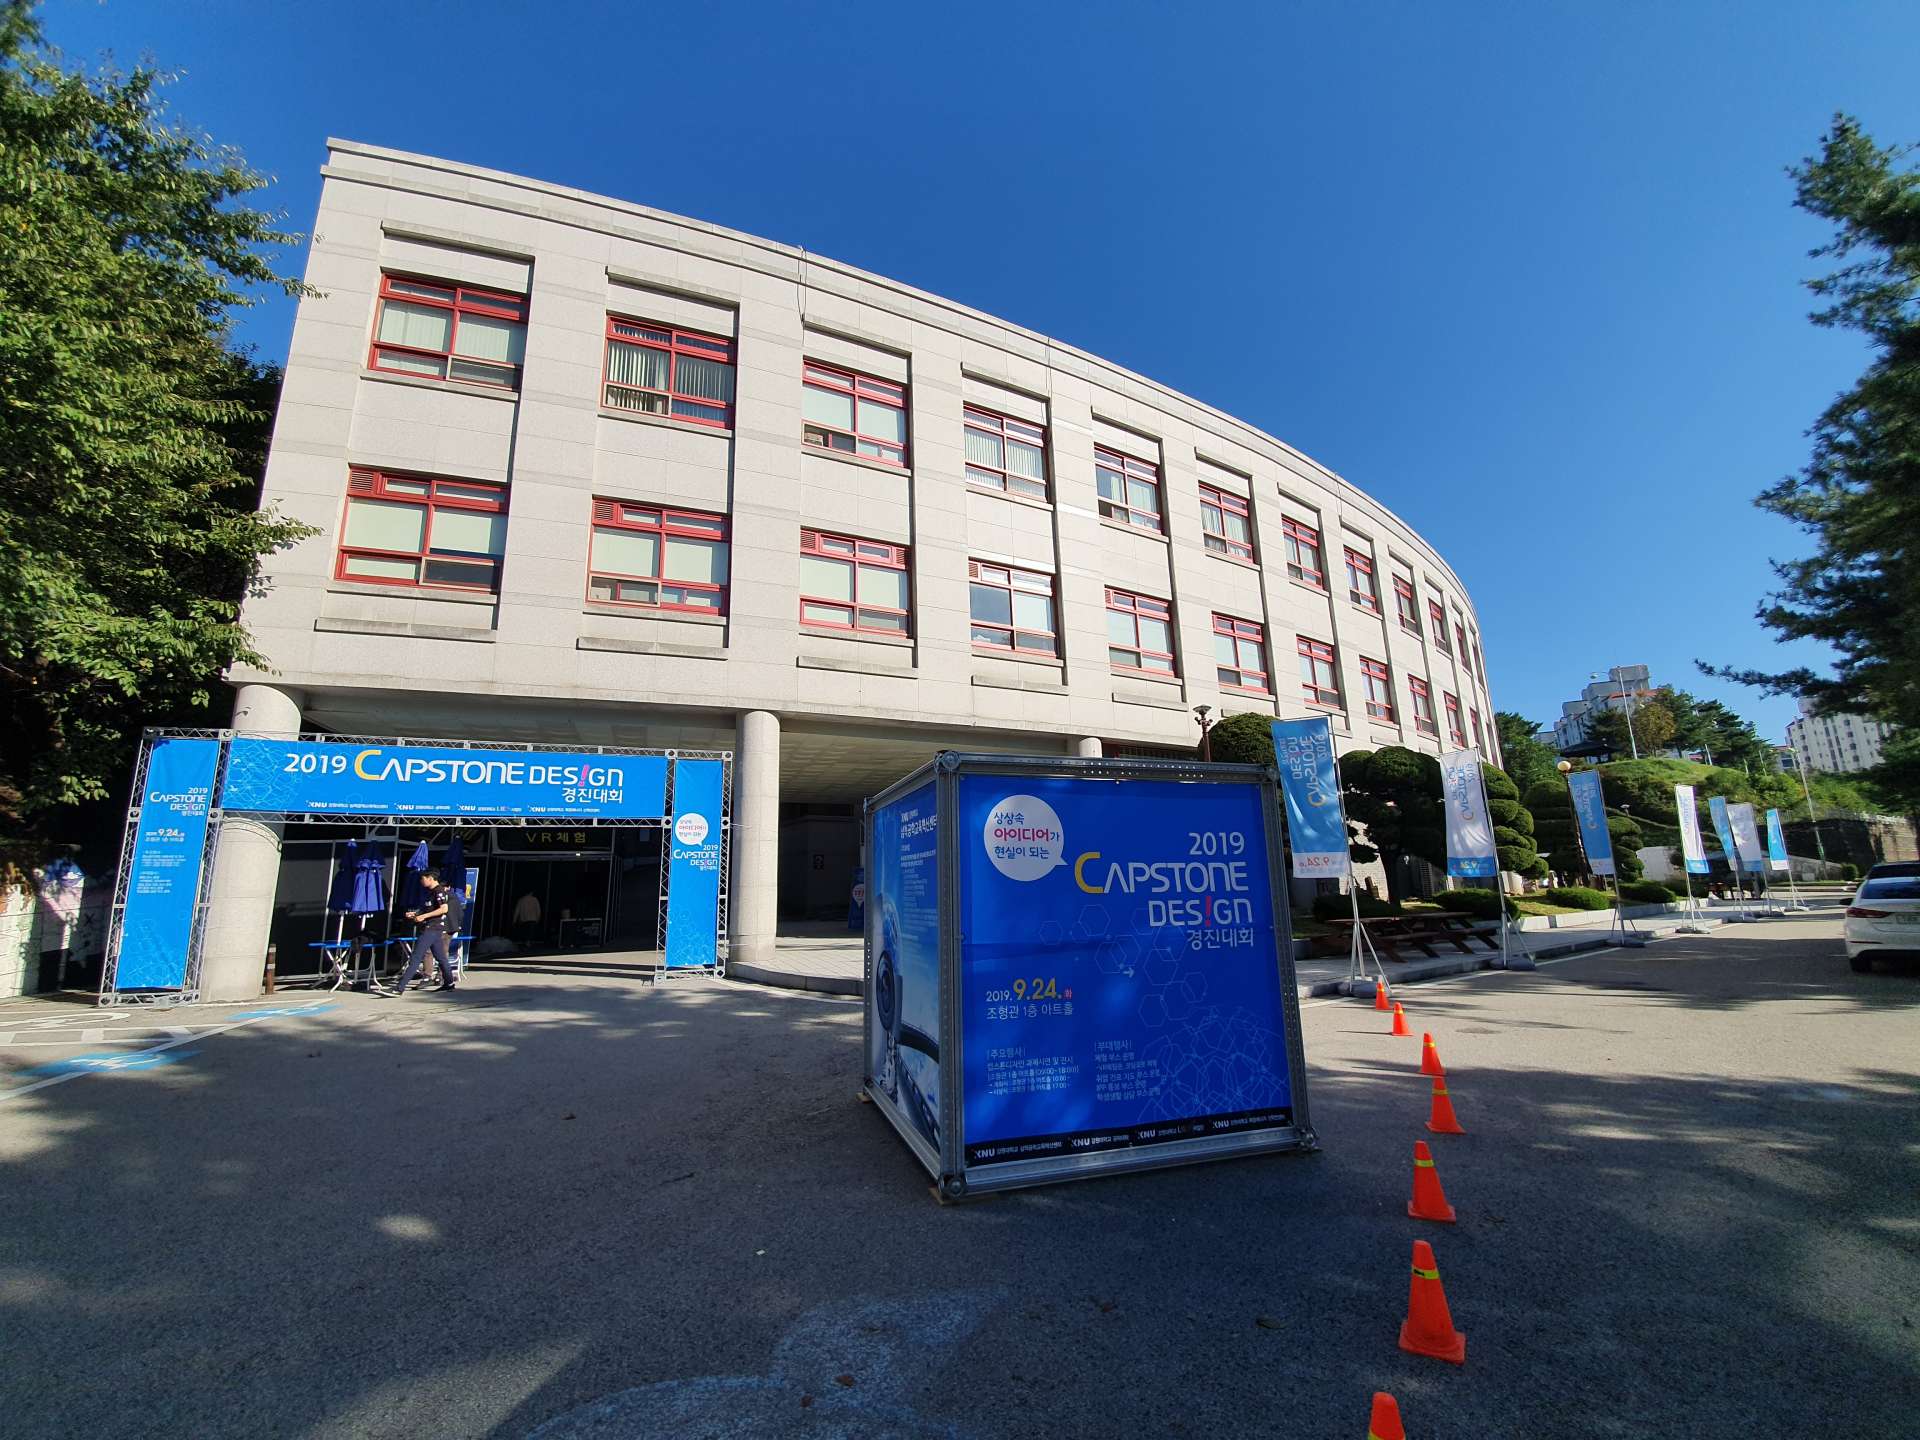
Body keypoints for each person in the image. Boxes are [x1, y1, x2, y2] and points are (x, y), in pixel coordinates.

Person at [375, 872, 463, 996]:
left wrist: (424, 916)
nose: (421, 882)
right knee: (441, 958)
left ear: (430, 878)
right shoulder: (430, 892)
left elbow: (444, 909)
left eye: (423, 879)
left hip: (431, 929)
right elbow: (429, 909)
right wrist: (416, 914)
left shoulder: (439, 891)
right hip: (434, 929)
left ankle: (399, 988)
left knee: (416, 957)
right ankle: (449, 983)